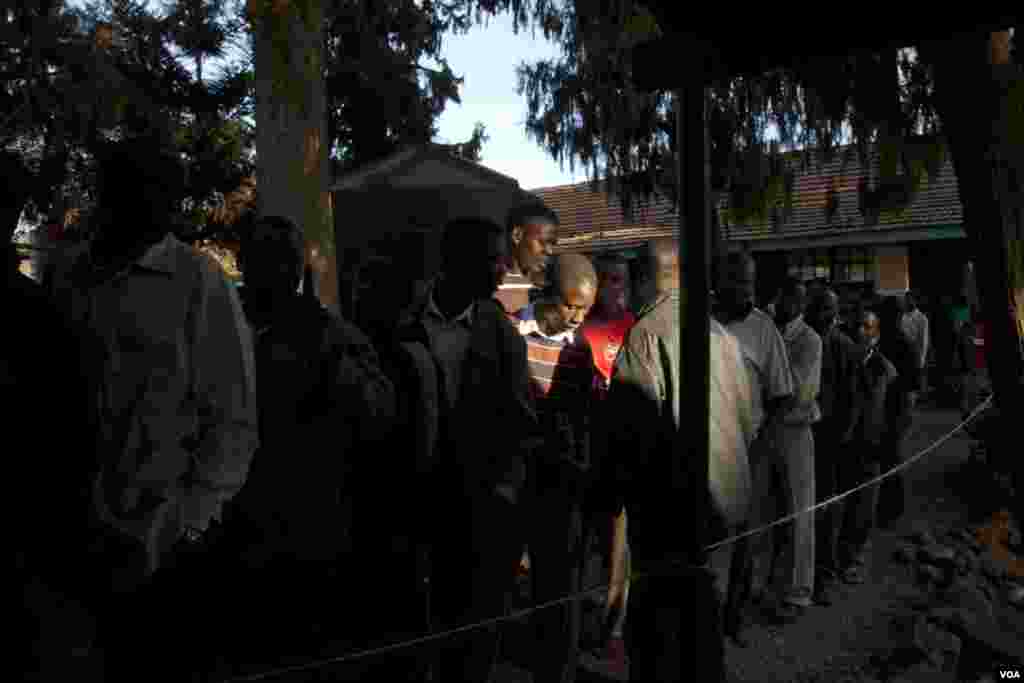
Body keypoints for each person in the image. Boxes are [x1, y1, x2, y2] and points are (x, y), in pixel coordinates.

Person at [44, 136, 260, 682]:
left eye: (160, 192)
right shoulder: (67, 278)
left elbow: (231, 420)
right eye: (127, 188)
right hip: (75, 543)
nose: (149, 204)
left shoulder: (197, 282)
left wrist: (183, 529)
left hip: (166, 552)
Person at [222, 215, 397, 672]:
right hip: (224, 522)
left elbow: (377, 416)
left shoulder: (331, 335)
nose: (275, 271)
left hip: (306, 529)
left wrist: (330, 362)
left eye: (286, 261)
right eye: (263, 259)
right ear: (244, 263)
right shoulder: (216, 324)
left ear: (300, 269)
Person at [394, 216, 538, 683]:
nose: (502, 270)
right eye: (492, 259)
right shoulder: (403, 321)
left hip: (478, 508)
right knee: (414, 631)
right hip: (413, 504)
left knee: (472, 637)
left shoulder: (500, 334)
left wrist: (504, 495)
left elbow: (520, 421)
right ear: (454, 262)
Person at [600, 238, 751, 682]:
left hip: (671, 516)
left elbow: (628, 432)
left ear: (647, 280)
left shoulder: (646, 333)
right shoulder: (720, 333)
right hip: (723, 506)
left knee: (661, 635)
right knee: (705, 625)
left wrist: (606, 499)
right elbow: (747, 418)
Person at [513, 253, 600, 683]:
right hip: (510, 483)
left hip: (558, 486)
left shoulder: (580, 350)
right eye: (570, 305)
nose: (576, 317)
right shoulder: (510, 333)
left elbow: (583, 417)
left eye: (585, 309)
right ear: (548, 293)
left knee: (557, 590)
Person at [716, 252, 794, 644]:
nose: (744, 290)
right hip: (705, 451)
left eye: (749, 282)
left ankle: (734, 617)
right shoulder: (700, 322)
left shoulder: (764, 330)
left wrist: (761, 449)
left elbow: (783, 397)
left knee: (745, 543)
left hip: (748, 452)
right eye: (736, 281)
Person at [578, 254, 636, 676]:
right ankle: (577, 621)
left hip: (620, 455)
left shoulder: (636, 328)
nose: (613, 287)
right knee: (581, 547)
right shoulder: (579, 326)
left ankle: (612, 630)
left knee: (619, 551)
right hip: (582, 452)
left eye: (619, 279)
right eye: (606, 280)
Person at [805, 288, 860, 606]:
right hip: (804, 435)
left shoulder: (843, 347)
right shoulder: (802, 340)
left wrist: (844, 436)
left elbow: (852, 401)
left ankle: (824, 573)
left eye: (828, 308)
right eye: (818, 307)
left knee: (827, 507)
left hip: (831, 440)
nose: (823, 314)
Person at [772, 278, 822, 617]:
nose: (790, 303)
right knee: (763, 510)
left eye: (797, 298)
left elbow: (797, 390)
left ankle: (798, 591)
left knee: (799, 512)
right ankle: (766, 585)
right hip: (765, 429)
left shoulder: (809, 340)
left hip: (794, 429)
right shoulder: (766, 329)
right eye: (785, 295)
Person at [839, 308, 898, 584]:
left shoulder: (884, 368)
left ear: (876, 334)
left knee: (864, 506)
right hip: (843, 445)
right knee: (841, 504)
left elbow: (896, 411)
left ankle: (855, 556)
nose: (862, 332)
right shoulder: (845, 361)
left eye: (868, 327)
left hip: (871, 445)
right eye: (858, 326)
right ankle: (838, 555)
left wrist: (888, 443)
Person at [876, 297, 920, 529]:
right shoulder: (884, 341)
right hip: (883, 407)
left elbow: (912, 386)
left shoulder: (902, 343)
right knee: (886, 457)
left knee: (891, 457)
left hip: (895, 408)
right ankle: (887, 508)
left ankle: (891, 509)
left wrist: (906, 416)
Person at [505, 202, 560, 288]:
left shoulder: (543, 292)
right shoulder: (485, 290)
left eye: (552, 244)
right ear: (517, 235)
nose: (550, 251)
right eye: (542, 242)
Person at [901, 290, 930, 396]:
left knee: (913, 387)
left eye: (910, 300)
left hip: (915, 356)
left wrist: (921, 360)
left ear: (915, 301)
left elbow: (924, 341)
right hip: (904, 356)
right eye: (906, 300)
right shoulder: (902, 317)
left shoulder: (922, 318)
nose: (907, 302)